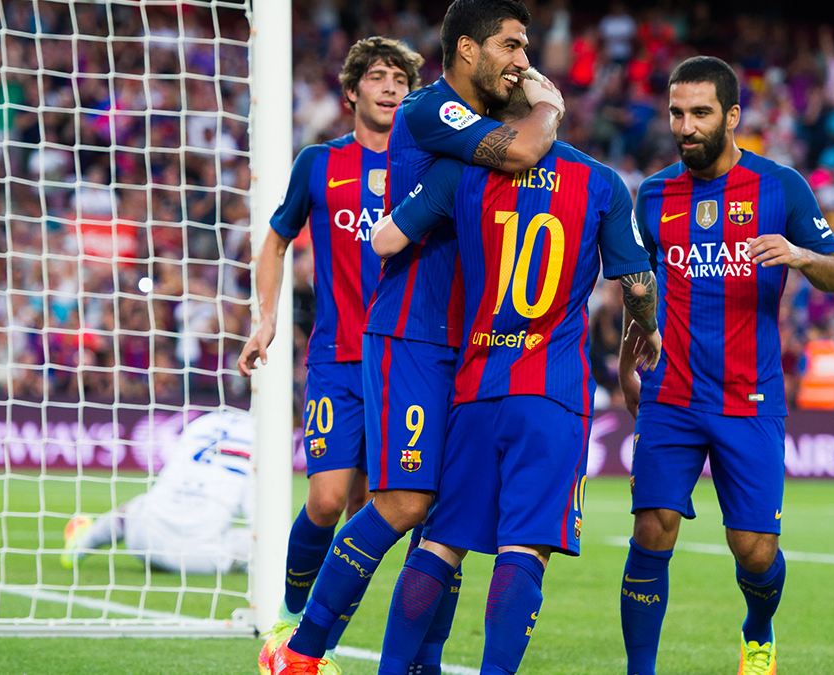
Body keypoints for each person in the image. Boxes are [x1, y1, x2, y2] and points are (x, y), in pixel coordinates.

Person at [268, 2, 564, 673]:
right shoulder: (429, 110)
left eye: (527, 48)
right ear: (467, 49)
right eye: (512, 46)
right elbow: (521, 149)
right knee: (401, 500)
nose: (524, 61)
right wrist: (549, 108)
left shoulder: (473, 124)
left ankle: (421, 663)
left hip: (469, 342)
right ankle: (300, 649)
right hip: (413, 335)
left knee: (450, 520)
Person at [370, 82, 659, 675]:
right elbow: (635, 284)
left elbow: (387, 239)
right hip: (552, 390)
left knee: (441, 543)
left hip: (475, 384)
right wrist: (646, 330)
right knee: (524, 547)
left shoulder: (464, 174)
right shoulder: (601, 183)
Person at [618, 56, 834, 675]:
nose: (686, 125)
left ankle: (757, 631)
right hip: (670, 392)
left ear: (732, 117)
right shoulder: (653, 194)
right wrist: (625, 357)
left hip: (749, 397)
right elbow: (643, 288)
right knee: (653, 528)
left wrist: (800, 254)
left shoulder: (781, 188)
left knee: (753, 551)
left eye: (700, 113)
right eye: (677, 112)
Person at [236, 36, 423, 673]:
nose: (391, 87)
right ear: (351, 92)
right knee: (325, 499)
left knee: (371, 512)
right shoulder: (319, 162)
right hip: (337, 360)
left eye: (401, 77)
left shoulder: (426, 165)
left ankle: (320, 642)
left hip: (408, 364)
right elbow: (276, 239)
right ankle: (288, 622)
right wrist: (264, 322)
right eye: (378, 76)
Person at [60, 410, 254, 576]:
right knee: (259, 541)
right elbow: (255, 515)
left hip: (143, 540)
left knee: (134, 508)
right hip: (200, 558)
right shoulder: (264, 438)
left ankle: (81, 545)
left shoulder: (205, 421)